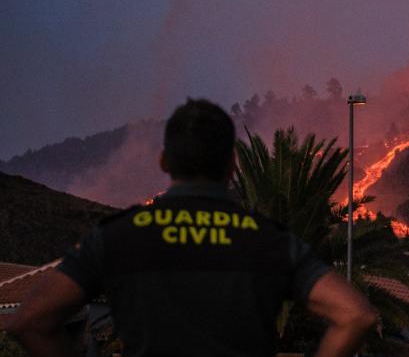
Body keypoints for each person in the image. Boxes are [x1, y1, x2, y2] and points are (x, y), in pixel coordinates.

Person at [3, 99, 377, 357]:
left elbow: (30, 320)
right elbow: (356, 314)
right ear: (233, 164)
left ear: (164, 160)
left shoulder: (119, 237)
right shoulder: (268, 241)